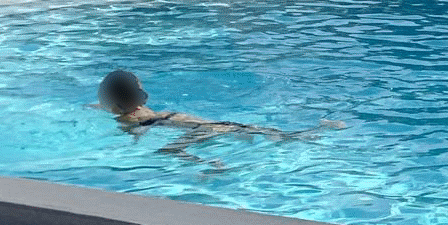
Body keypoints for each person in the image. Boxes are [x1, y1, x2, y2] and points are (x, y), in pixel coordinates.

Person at [96, 70, 331, 162]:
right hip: (192, 124)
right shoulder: (144, 110)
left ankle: (208, 163)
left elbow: (118, 116)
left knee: (171, 151)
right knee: (245, 128)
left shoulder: (123, 117)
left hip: (180, 130)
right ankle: (308, 134)